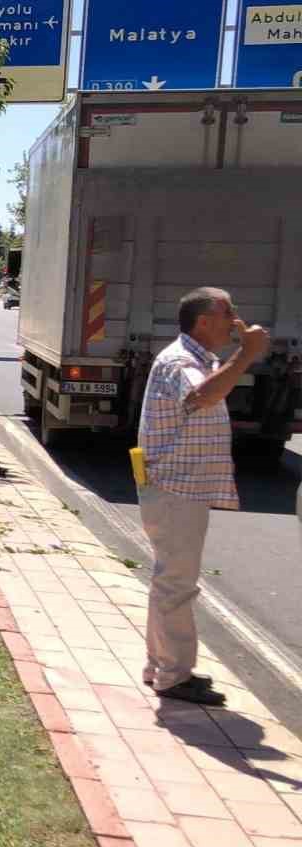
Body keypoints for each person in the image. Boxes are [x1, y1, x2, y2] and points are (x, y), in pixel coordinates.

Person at [136, 288, 269, 706]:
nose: (235, 319)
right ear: (204, 320)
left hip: (175, 487)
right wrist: (245, 354)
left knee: (170, 579)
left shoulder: (195, 358)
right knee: (176, 582)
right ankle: (174, 676)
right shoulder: (182, 361)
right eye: (227, 311)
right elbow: (202, 397)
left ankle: (161, 665)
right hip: (175, 488)